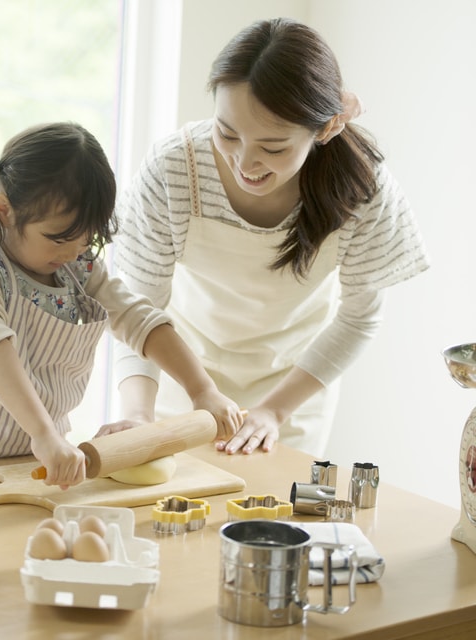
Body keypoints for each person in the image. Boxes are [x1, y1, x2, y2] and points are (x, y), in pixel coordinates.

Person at [111, 18, 430, 458]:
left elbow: (359, 318)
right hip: (178, 381)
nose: (245, 162)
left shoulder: (362, 188)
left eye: (273, 147)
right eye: (226, 132)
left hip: (292, 395)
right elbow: (138, 305)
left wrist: (274, 412)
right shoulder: (173, 169)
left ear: (326, 128)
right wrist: (139, 416)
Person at [0, 122, 243, 487]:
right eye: (59, 237)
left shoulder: (79, 266)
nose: (74, 250)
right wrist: (43, 432)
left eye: (87, 236)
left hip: (38, 464)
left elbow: (138, 318)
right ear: (5, 210)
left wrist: (203, 390)